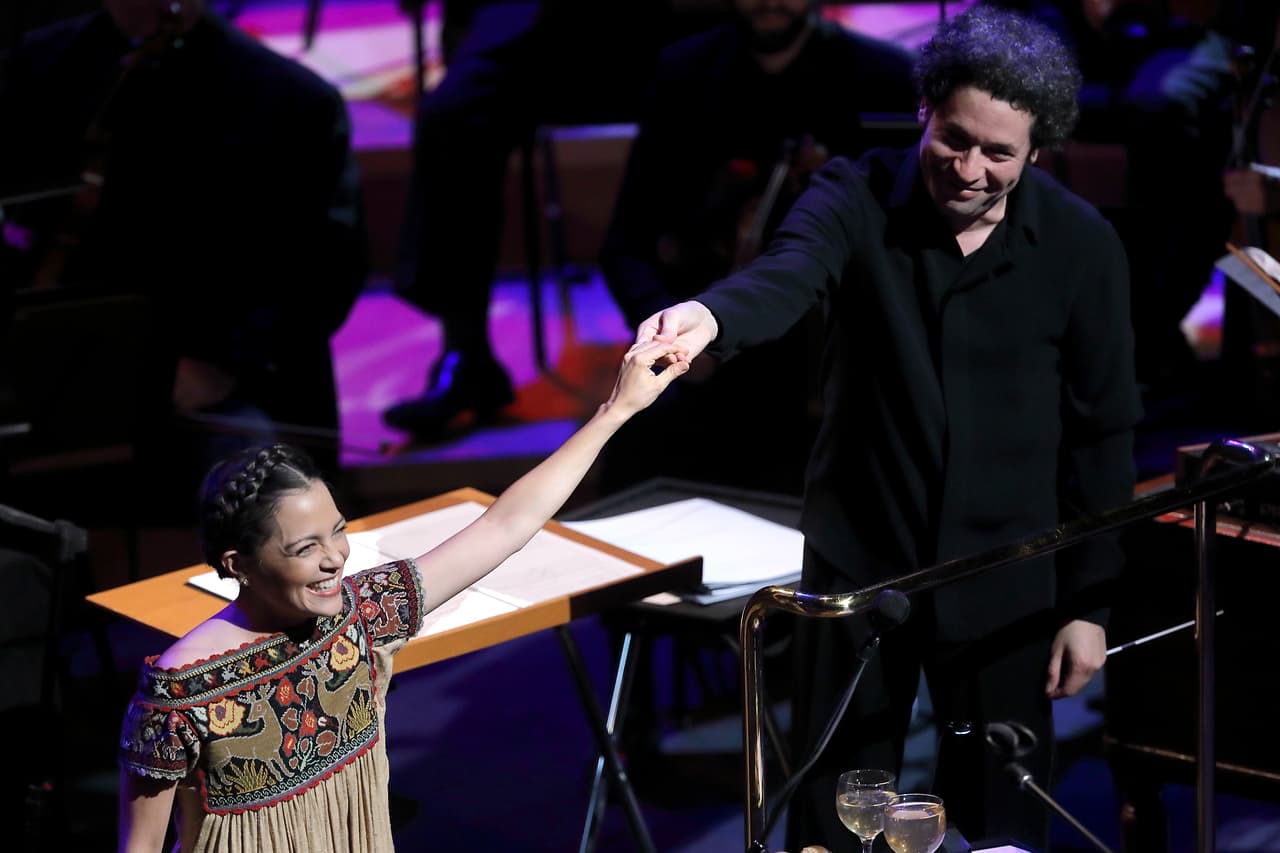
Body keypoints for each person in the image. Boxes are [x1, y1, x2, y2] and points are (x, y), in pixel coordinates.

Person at [634, 6, 1142, 849]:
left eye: (998, 152)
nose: (970, 168)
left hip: (1006, 570)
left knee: (997, 807)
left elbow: (1104, 433)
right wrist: (708, 317)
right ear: (924, 110)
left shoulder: (1084, 247)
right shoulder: (852, 193)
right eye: (953, 137)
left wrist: (1089, 604)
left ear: (1036, 151)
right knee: (837, 802)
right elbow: (787, 272)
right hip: (862, 561)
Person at [115, 339, 688, 852]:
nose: (335, 558)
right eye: (304, 548)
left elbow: (505, 526)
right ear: (240, 565)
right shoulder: (180, 692)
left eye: (338, 531)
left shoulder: (363, 616)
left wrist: (617, 409)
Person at [0, 0, 369, 519]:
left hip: (216, 383)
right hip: (55, 369)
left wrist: (222, 365)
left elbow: (326, 271)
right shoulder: (32, 68)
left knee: (258, 492)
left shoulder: (293, 100)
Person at [596, 0, 917, 496]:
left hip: (825, 351)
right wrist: (666, 341)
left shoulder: (881, 75)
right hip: (705, 345)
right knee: (637, 471)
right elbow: (626, 242)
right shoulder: (685, 71)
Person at [383, 0, 728, 441]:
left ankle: (704, 342)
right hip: (549, 35)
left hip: (677, 22)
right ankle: (466, 351)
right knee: (454, 112)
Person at [986, 0, 1280, 413]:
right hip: (1096, 34)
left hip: (1193, 31)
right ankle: (1133, 338)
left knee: (1167, 115)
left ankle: (1145, 333)